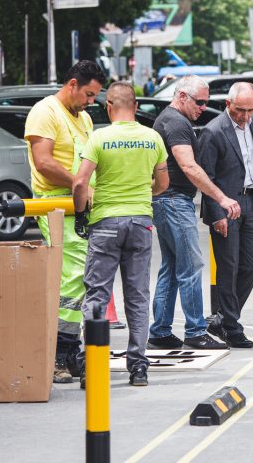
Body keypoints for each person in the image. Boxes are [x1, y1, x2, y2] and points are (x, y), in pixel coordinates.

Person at [73, 82, 169, 387]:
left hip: (104, 224)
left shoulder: (99, 137)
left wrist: (80, 213)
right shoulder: (152, 137)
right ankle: (138, 366)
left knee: (97, 295)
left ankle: (94, 366)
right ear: (137, 107)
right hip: (140, 223)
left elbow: (79, 183)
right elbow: (163, 183)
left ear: (108, 107)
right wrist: (142, 195)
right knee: (138, 297)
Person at [24, 60, 106, 383]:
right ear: (72, 84)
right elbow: (43, 162)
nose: (91, 102)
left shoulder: (83, 117)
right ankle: (61, 351)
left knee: (83, 275)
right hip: (56, 206)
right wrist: (77, 182)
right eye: (88, 94)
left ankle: (70, 348)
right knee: (72, 277)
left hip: (80, 207)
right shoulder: (45, 112)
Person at [148, 76, 239, 351]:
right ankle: (196, 331)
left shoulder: (169, 119)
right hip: (174, 201)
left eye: (206, 102)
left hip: (167, 201)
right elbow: (188, 167)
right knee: (190, 267)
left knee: (173, 268)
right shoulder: (175, 123)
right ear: (182, 96)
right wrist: (221, 197)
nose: (203, 107)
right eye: (199, 102)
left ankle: (161, 330)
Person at [197, 82, 253, 348]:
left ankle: (224, 318)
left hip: (251, 202)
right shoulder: (213, 132)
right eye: (240, 110)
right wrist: (216, 213)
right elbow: (206, 178)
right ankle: (231, 326)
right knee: (228, 266)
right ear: (228, 104)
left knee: (250, 266)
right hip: (226, 205)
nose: (245, 116)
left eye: (251, 110)